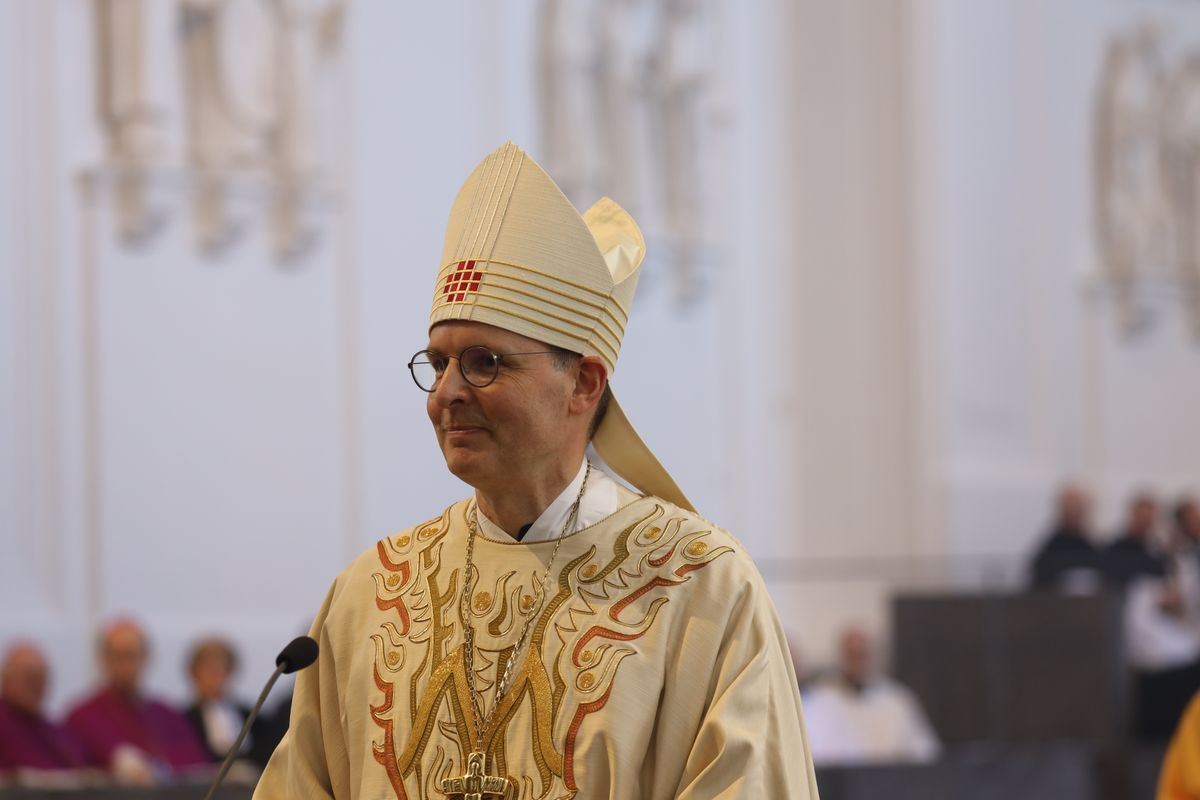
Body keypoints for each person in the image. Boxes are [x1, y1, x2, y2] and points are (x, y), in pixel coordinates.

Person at [254, 142, 818, 798]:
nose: (446, 394)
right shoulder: (369, 596)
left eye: (485, 362)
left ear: (583, 383)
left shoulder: (700, 589)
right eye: (438, 364)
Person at [65, 618, 208, 784]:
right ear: (103, 659)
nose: (127, 665)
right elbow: (75, 773)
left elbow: (197, 767)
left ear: (146, 658)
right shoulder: (81, 717)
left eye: (132, 655)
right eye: (118, 656)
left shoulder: (168, 715)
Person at [801, 626, 941, 766]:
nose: (858, 663)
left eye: (862, 655)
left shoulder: (897, 700)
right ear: (841, 657)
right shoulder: (818, 700)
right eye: (852, 656)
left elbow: (924, 752)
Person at [0, 641, 87, 774]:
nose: (37, 687)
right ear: (7, 679)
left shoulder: (54, 730)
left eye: (42, 679)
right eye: (30, 679)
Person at [184, 637, 271, 767]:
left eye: (221, 669)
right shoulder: (184, 720)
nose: (214, 676)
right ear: (194, 673)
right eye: (208, 669)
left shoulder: (252, 717)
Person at [1028, 483, 1104, 592]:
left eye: (1077, 508)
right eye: (1069, 507)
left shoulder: (1092, 550)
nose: (1073, 513)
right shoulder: (1048, 551)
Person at [1105, 492, 1169, 588]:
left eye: (1148, 518)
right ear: (1133, 515)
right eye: (1141, 517)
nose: (1144, 522)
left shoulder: (1158, 551)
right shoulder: (1115, 549)